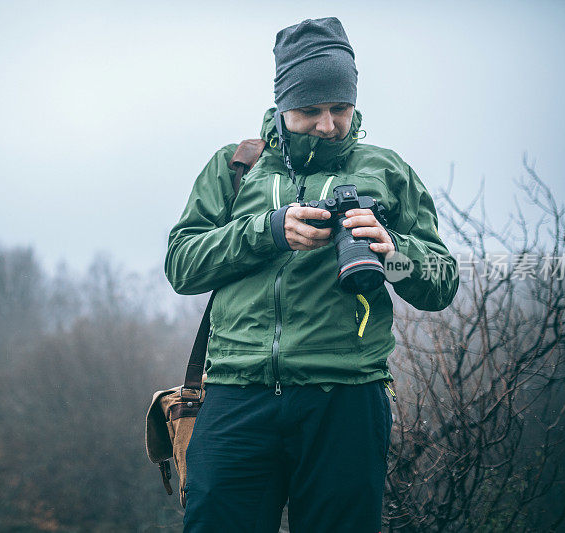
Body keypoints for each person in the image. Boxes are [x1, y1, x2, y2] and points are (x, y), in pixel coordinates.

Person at [164, 17, 458, 532]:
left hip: (344, 399)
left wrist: (395, 253)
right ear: (281, 105)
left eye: (340, 109)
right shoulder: (236, 168)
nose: (327, 125)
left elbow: (442, 281)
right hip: (237, 394)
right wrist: (269, 231)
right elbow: (182, 265)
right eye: (309, 110)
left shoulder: (387, 170)